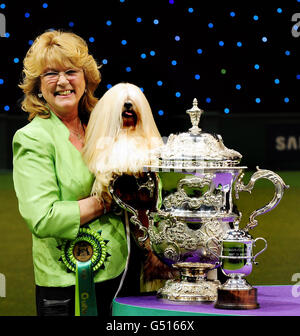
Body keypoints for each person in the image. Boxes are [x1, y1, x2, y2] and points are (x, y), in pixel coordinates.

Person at [12, 30, 128, 316]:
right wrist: (107, 201)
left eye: (71, 71)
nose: (63, 81)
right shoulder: (32, 138)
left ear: (85, 78)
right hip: (65, 283)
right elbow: (43, 217)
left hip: (121, 275)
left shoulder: (105, 125)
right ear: (38, 85)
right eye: (51, 73)